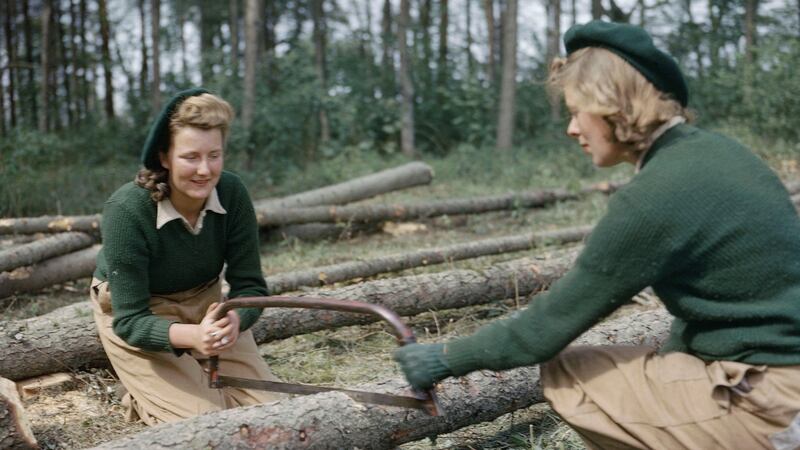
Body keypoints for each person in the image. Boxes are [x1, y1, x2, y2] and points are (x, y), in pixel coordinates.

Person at [394, 21, 800, 450]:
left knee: (568, 374)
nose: (572, 129)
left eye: (576, 111)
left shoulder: (656, 195)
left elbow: (544, 330)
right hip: (780, 372)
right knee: (633, 361)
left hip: (773, 398)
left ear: (613, 105)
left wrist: (445, 359)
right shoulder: (719, 152)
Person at [90, 88, 282, 425]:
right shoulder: (126, 211)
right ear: (164, 157)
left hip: (207, 303)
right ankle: (144, 393)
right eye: (190, 157)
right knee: (203, 422)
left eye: (215, 155)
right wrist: (195, 338)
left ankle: (184, 374)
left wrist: (235, 321)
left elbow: (250, 285)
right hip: (143, 310)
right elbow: (129, 319)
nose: (205, 170)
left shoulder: (233, 193)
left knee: (274, 412)